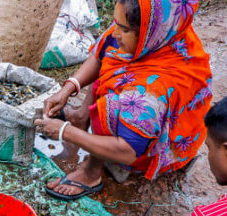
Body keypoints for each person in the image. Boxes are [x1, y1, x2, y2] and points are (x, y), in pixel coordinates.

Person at [35, 0, 212, 200]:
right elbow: (103, 50)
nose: (115, 33)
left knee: (111, 105)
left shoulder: (150, 94)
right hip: (141, 108)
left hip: (148, 146)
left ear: (146, 32)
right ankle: (82, 117)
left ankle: (91, 173)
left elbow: (127, 151)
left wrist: (65, 132)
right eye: (116, 24)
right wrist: (69, 87)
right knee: (115, 62)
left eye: (124, 29)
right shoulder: (158, 31)